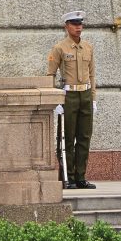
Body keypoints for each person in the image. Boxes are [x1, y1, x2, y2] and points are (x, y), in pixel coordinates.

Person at [48, 10, 97, 189]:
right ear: (67, 26)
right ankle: (67, 177)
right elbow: (50, 75)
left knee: (84, 137)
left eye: (80, 24)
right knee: (67, 138)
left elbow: (92, 75)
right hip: (68, 96)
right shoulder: (59, 48)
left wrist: (93, 99)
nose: (79, 27)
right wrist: (55, 100)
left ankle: (81, 177)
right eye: (75, 24)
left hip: (85, 94)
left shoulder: (88, 47)